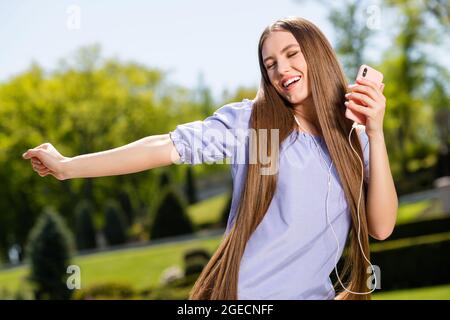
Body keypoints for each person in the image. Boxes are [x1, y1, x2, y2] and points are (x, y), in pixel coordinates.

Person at [22, 17, 398, 300]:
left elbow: (381, 228)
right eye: (270, 65)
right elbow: (164, 147)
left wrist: (375, 133)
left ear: (317, 53)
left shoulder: (354, 141)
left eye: (290, 54)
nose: (282, 70)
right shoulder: (258, 128)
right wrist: (69, 166)